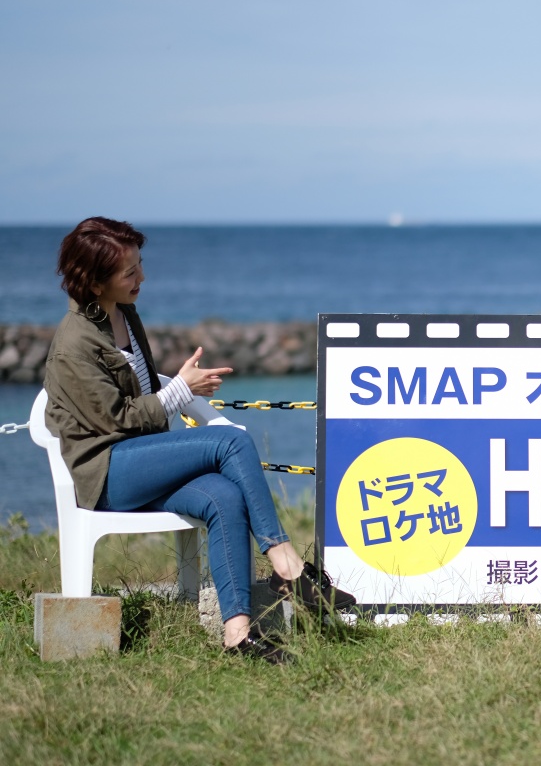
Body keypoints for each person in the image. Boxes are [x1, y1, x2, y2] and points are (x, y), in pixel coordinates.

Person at [43, 217, 354, 664]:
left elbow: (148, 392)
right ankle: (287, 566)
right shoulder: (74, 344)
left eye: (140, 265)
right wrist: (181, 391)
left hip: (142, 459)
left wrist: (181, 391)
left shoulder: (123, 314)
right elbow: (119, 420)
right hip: (108, 472)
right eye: (129, 272)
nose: (141, 278)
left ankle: (238, 634)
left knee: (224, 495)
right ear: (94, 282)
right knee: (230, 444)